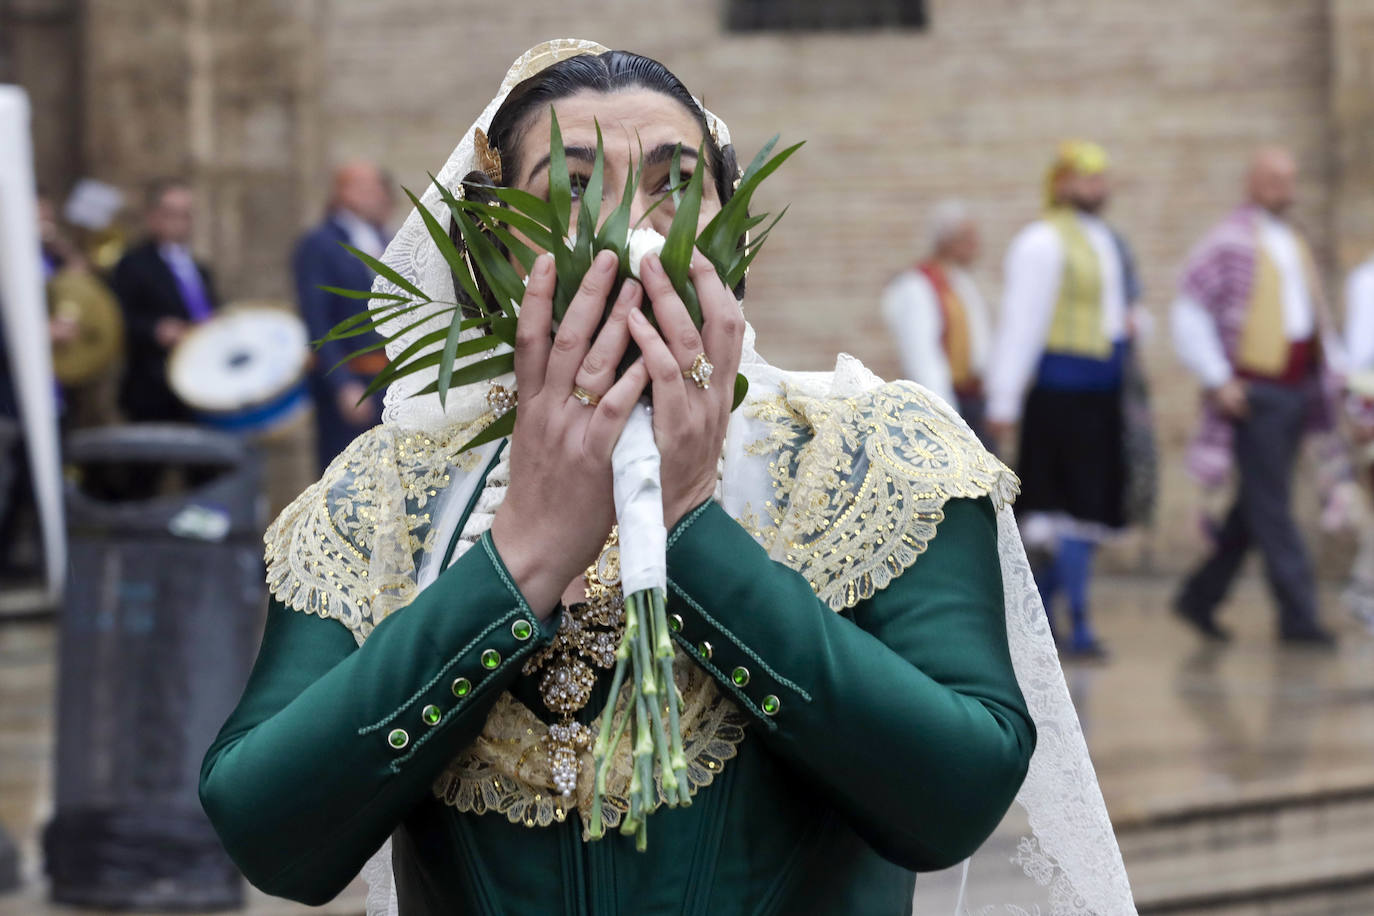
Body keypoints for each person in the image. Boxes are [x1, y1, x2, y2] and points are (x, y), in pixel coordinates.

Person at [199, 41, 1135, 915]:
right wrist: (518, 560)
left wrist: (686, 525)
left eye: (676, 187)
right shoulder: (394, 492)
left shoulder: (868, 456)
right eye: (568, 187)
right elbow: (274, 838)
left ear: (730, 224)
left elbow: (952, 799)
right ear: (492, 240)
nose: (630, 230)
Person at [1171, 147, 1341, 648]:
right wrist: (1217, 377)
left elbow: (1312, 317)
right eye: (1272, 179)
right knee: (1273, 507)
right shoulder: (1228, 242)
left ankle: (1199, 596)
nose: (1282, 188)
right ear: (1252, 182)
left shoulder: (1294, 241)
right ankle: (1299, 616)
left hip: (1297, 390)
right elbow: (1190, 310)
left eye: (1288, 179)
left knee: (1255, 505)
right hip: (1255, 392)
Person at [984, 141, 1145, 659]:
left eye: (1100, 178)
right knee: (1057, 511)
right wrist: (1004, 398)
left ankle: (1062, 617)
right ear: (1060, 182)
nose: (1095, 188)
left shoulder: (1107, 242)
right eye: (1084, 178)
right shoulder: (1041, 243)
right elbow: (1022, 322)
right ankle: (1057, 620)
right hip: (1059, 394)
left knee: (1088, 507)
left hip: (1102, 393)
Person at [294, 161, 395, 471]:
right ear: (342, 192)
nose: (377, 196)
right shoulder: (320, 243)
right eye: (367, 187)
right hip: (351, 379)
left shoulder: (384, 238)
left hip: (389, 381)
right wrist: (342, 384)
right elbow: (317, 320)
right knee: (347, 477)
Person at [880, 199, 993, 446]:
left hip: (972, 400)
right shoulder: (918, 286)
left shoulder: (960, 283)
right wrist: (946, 418)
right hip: (943, 402)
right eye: (966, 237)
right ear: (946, 240)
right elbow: (923, 355)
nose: (975, 245)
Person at [111, 179, 218, 423]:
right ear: (154, 217)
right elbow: (117, 319)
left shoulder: (200, 269)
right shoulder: (133, 264)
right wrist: (157, 329)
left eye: (185, 215)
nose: (179, 223)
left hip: (200, 385)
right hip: (154, 387)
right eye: (171, 214)